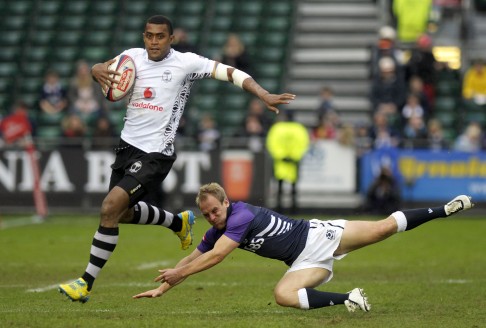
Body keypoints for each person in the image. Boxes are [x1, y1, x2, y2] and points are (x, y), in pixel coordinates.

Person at [58, 15, 295, 303]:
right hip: (126, 147)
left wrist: (263, 94)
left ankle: (85, 283)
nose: (153, 41)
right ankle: (177, 223)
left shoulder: (186, 63)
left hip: (156, 153)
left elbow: (231, 72)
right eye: (149, 35)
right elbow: (102, 67)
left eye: (160, 36)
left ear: (172, 39)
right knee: (119, 213)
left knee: (109, 207)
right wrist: (97, 69)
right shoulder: (131, 57)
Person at [133, 182, 474, 313]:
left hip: (317, 236)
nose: (211, 217)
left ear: (226, 201)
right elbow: (195, 256)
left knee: (384, 229)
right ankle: (350, 298)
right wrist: (165, 286)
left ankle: (444, 209)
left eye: (214, 210)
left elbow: (218, 256)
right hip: (303, 262)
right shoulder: (218, 226)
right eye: (207, 214)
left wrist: (178, 274)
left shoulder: (240, 215)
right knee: (284, 296)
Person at [266, 112, 309, 214]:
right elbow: (304, 142)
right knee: (294, 187)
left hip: (280, 162)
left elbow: (272, 142)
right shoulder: (299, 128)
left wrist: (280, 155)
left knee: (279, 186)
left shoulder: (277, 128)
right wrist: (295, 156)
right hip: (294, 162)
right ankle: (294, 209)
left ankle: (279, 209)